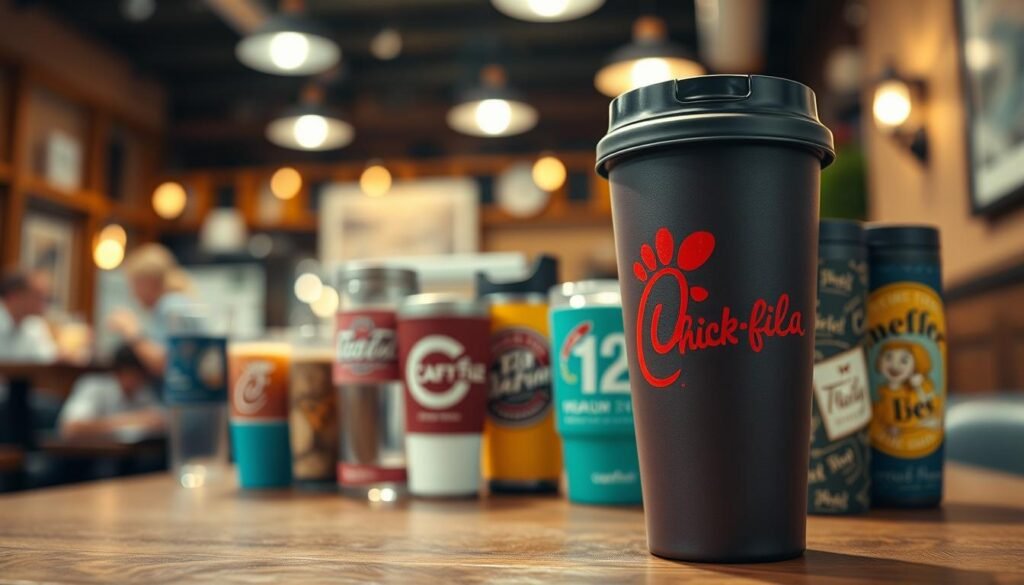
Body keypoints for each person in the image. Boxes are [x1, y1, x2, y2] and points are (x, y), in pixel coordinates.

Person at [106, 243, 192, 375]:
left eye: (134, 284)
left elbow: (165, 364)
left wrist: (132, 332)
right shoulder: (175, 302)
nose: (133, 293)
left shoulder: (170, 305)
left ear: (149, 282)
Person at [59, 344, 165, 440]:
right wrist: (131, 420)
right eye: (135, 375)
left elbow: (159, 420)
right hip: (85, 458)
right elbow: (71, 428)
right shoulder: (93, 387)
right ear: (120, 372)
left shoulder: (144, 392)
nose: (140, 381)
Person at [0, 270, 58, 363]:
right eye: (37, 297)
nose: (44, 304)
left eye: (45, 297)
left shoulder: (35, 325)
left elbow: (48, 361)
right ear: (13, 297)